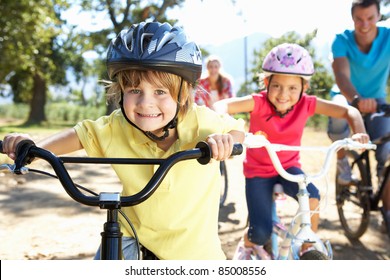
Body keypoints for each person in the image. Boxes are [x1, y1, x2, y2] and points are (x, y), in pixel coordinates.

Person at [0, 21, 245, 260]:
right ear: (120, 92)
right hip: (132, 239)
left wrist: (224, 141)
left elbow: (237, 131)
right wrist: (29, 147)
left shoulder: (203, 122)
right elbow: (79, 135)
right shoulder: (117, 126)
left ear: (182, 95)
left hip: (194, 254)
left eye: (160, 92)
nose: (145, 102)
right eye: (135, 90)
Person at [213, 43, 369, 260]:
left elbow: (348, 110)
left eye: (292, 88)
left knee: (313, 195)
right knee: (259, 233)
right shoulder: (258, 102)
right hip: (258, 172)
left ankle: (308, 243)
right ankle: (248, 242)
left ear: (304, 88)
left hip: (289, 167)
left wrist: (359, 132)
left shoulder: (307, 104)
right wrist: (223, 127)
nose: (283, 94)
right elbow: (222, 106)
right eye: (276, 86)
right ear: (266, 83)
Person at [326, 0, 390, 233]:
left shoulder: (388, 38)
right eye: (359, 19)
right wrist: (355, 100)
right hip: (347, 97)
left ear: (379, 16)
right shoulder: (341, 40)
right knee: (338, 114)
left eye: (370, 18)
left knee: (387, 153)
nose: (365, 24)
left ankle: (387, 211)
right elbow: (341, 76)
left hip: (378, 102)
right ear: (352, 18)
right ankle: (343, 162)